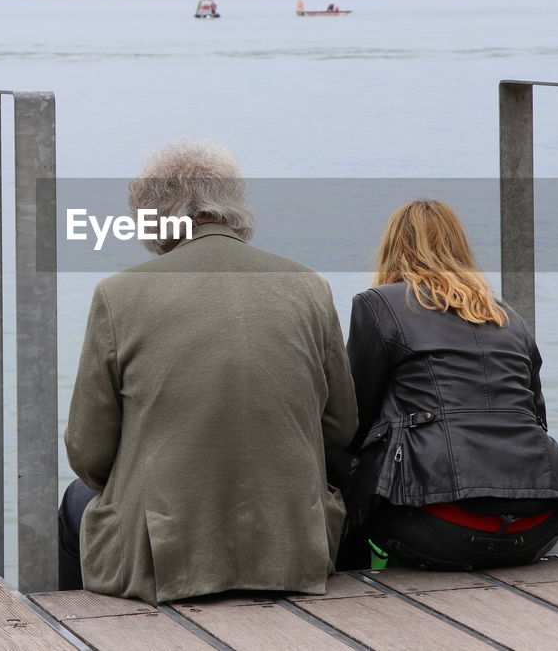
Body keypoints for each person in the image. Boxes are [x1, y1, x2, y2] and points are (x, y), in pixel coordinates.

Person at [59, 140, 357, 604]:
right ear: (233, 205)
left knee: (75, 504)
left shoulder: (118, 294)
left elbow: (88, 450)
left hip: (166, 560)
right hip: (293, 551)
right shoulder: (310, 285)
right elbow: (341, 427)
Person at [335, 199, 558, 571]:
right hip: (537, 529)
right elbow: (537, 416)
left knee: (329, 446)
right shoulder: (506, 314)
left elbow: (353, 419)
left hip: (440, 531)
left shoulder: (379, 303)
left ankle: (350, 573)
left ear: (392, 247)